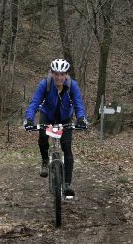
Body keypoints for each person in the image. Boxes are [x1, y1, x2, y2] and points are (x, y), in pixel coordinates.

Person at [23, 59, 89, 199]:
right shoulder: (45, 84)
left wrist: (81, 118)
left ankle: (67, 184)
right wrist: (29, 119)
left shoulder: (72, 85)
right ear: (52, 73)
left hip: (65, 118)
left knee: (67, 147)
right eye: (56, 74)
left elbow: (78, 104)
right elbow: (34, 103)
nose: (59, 77)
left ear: (66, 74)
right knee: (42, 137)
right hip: (47, 116)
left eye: (62, 74)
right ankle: (45, 161)